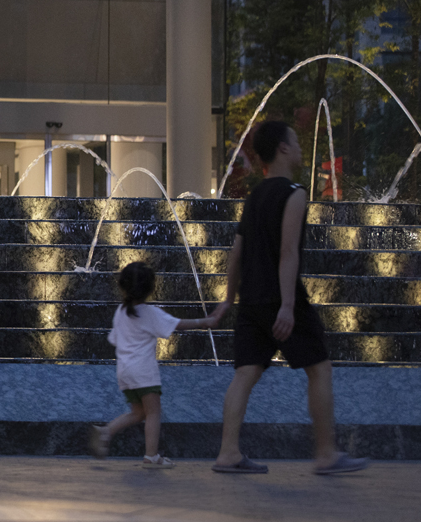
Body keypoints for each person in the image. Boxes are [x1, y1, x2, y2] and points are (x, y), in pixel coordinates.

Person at [210, 120, 367, 475]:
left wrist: (229, 299)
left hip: (251, 299)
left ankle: (228, 452)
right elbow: (288, 251)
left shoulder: (253, 197)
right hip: (280, 296)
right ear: (282, 148)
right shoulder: (294, 193)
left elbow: (236, 253)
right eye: (294, 142)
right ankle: (326, 454)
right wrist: (286, 305)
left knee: (245, 373)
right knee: (319, 368)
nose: (299, 147)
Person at [90, 261, 219, 468]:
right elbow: (177, 325)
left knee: (138, 413)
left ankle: (107, 431)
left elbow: (114, 340)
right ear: (150, 289)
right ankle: (151, 456)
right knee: (153, 412)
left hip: (124, 372)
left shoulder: (121, 312)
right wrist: (204, 322)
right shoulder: (149, 313)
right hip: (144, 372)